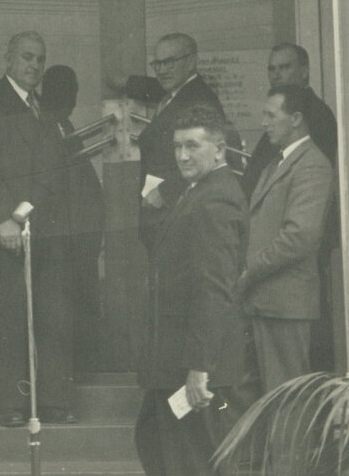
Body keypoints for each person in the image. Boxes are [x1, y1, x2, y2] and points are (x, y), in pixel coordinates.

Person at [135, 104, 259, 476]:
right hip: (179, 361)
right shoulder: (200, 190)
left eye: (192, 146)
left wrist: (199, 368)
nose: (183, 156)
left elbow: (213, 289)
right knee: (165, 450)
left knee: (190, 461)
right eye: (177, 147)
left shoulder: (215, 200)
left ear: (219, 149)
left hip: (197, 367)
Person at [0, 31, 76, 427]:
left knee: (51, 315)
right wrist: (3, 217)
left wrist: (23, 213)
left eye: (40, 60)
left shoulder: (42, 107)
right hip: (2, 231)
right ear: (8, 58)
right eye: (27, 58)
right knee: (5, 317)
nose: (33, 66)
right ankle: (8, 405)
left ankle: (52, 402)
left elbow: (52, 168)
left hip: (39, 225)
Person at [236, 84, 333, 392]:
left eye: (270, 115)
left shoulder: (312, 164)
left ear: (295, 119)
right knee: (266, 397)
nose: (264, 123)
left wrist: (249, 271)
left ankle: (290, 445)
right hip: (265, 302)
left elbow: (300, 236)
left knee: (286, 398)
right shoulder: (278, 162)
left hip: (285, 305)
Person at [137, 33, 239, 247]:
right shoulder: (177, 94)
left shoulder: (198, 98)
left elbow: (209, 160)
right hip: (165, 213)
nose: (162, 70)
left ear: (192, 61)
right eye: (157, 63)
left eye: (169, 62)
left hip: (179, 212)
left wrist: (165, 193)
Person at [41, 65, 106, 369]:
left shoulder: (64, 125)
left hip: (81, 238)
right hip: (64, 241)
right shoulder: (47, 126)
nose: (69, 98)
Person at [239, 43, 337, 200]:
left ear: (304, 72)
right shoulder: (282, 112)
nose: (276, 75)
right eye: (271, 69)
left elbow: (311, 181)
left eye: (284, 67)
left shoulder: (316, 113)